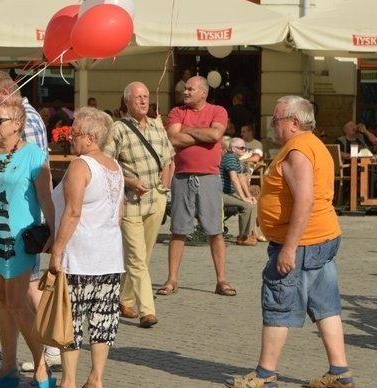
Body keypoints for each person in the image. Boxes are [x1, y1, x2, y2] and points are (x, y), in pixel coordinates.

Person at [228, 95, 354, 388]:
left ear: (294, 123)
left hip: (304, 242)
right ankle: (340, 372)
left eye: (276, 119)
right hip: (320, 237)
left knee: (278, 302)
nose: (272, 124)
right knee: (326, 305)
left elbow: (305, 201)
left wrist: (289, 248)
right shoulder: (312, 145)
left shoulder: (298, 150)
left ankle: (264, 374)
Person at [0, 71, 61, 376]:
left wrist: (53, 234)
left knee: (19, 303)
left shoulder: (32, 153)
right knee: (0, 302)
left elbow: (46, 198)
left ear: (17, 123)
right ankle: (8, 366)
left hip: (19, 238)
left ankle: (41, 366)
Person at [49, 107, 125, 388]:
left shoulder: (81, 166)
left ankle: (68, 381)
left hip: (81, 256)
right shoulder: (114, 166)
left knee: (71, 321)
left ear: (91, 138)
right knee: (103, 321)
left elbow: (72, 212)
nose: (70, 137)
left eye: (75, 132)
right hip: (110, 257)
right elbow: (119, 214)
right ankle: (96, 378)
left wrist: (57, 250)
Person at [158, 75, 236, 297]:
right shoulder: (176, 112)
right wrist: (203, 134)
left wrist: (188, 129)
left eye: (191, 89)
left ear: (203, 92)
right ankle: (172, 280)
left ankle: (221, 280)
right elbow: (172, 138)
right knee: (178, 230)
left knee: (215, 231)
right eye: (185, 89)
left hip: (210, 177)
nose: (186, 92)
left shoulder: (217, 110)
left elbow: (215, 135)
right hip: (182, 177)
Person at [104, 82, 173, 329]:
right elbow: (107, 164)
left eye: (145, 96)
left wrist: (164, 187)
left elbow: (169, 159)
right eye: (137, 98)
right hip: (130, 203)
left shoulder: (157, 126)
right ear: (127, 102)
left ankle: (124, 298)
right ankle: (147, 310)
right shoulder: (118, 129)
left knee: (143, 255)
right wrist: (130, 181)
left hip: (156, 201)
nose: (143, 101)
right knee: (136, 257)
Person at [221, 137, 259, 246]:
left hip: (228, 193)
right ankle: (243, 237)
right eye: (242, 148)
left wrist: (249, 196)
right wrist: (243, 198)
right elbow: (234, 178)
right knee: (246, 205)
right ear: (233, 148)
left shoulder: (235, 158)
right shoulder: (230, 158)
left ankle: (252, 233)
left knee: (252, 202)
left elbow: (241, 177)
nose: (244, 150)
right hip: (220, 193)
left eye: (245, 148)